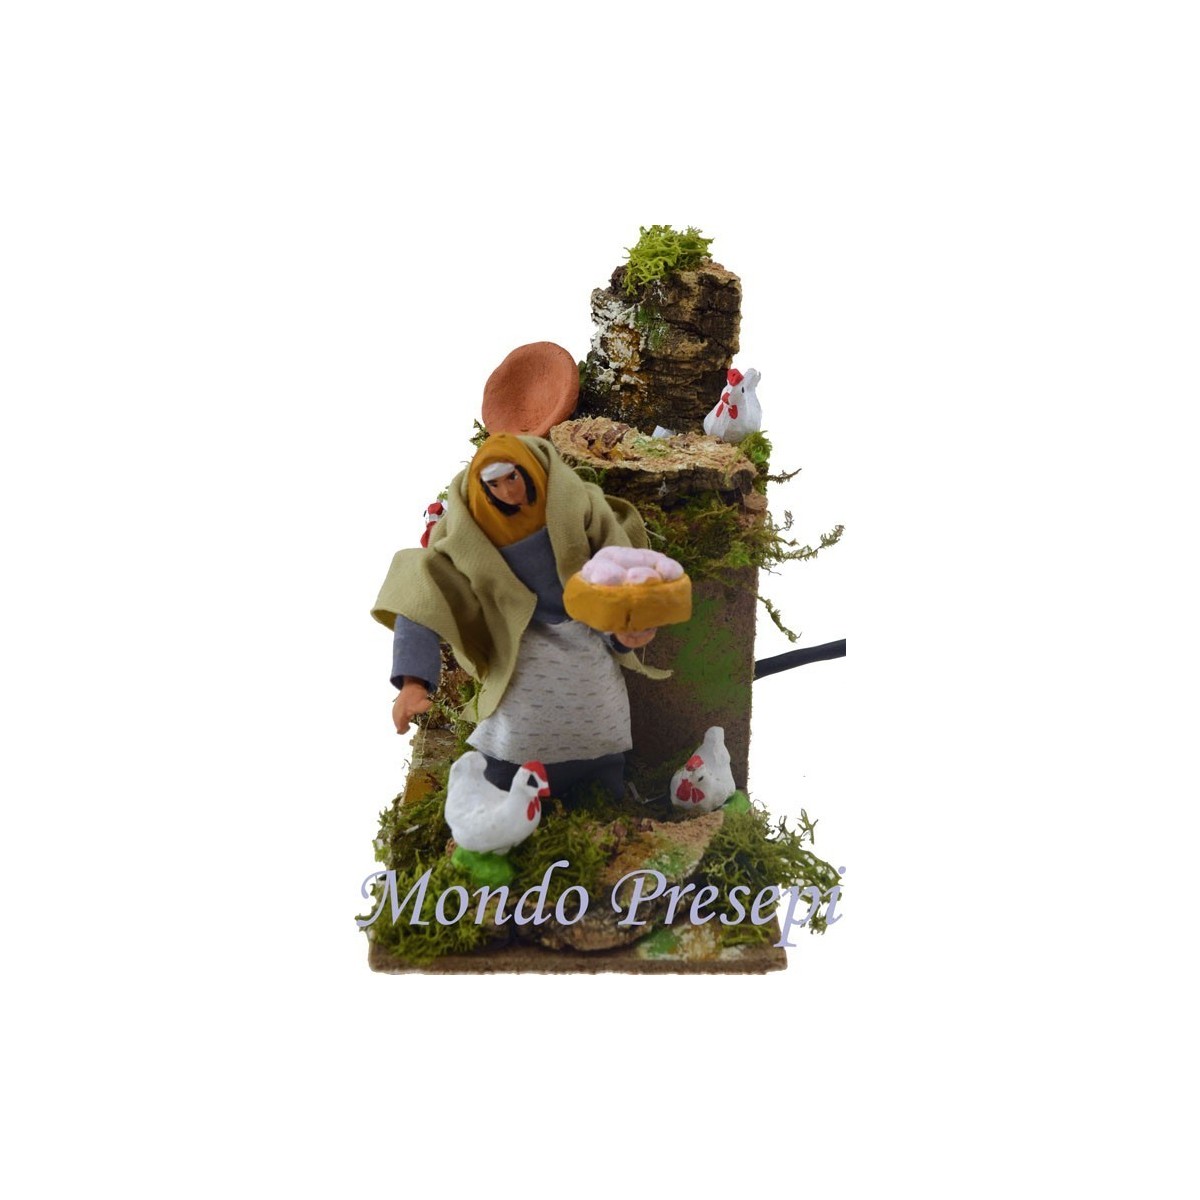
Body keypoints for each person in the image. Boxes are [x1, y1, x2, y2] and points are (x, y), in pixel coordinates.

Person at [372, 433, 662, 799]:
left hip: (584, 642)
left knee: (599, 721)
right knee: (515, 735)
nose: (508, 492)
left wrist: (623, 627)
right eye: (494, 485)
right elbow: (423, 598)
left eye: (513, 477)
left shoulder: (582, 510)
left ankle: (604, 786)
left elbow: (612, 572)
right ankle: (505, 793)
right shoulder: (464, 538)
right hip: (518, 649)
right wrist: (414, 681)